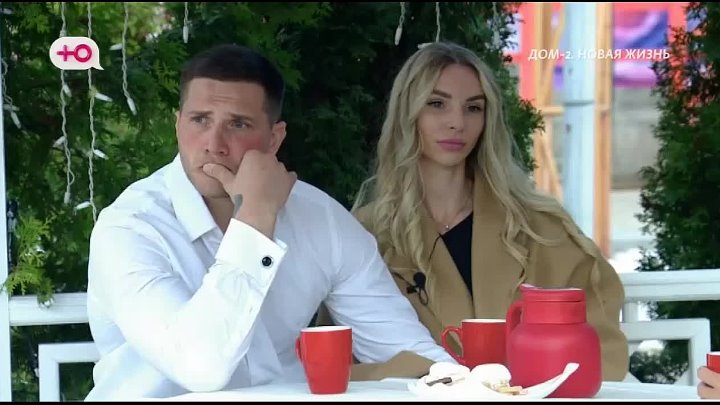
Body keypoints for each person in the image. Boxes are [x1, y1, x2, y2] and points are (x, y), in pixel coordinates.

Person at [85, 43, 455, 401]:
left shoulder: (320, 218)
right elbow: (199, 367)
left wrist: (468, 386)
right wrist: (255, 220)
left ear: (274, 138)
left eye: (238, 124)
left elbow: (403, 349)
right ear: (178, 125)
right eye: (200, 120)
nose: (214, 143)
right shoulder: (130, 227)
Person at [317, 41, 629, 381]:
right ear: (409, 114)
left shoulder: (540, 228)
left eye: (473, 108)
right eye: (437, 104)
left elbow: (597, 342)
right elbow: (341, 360)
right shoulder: (364, 235)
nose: (457, 122)